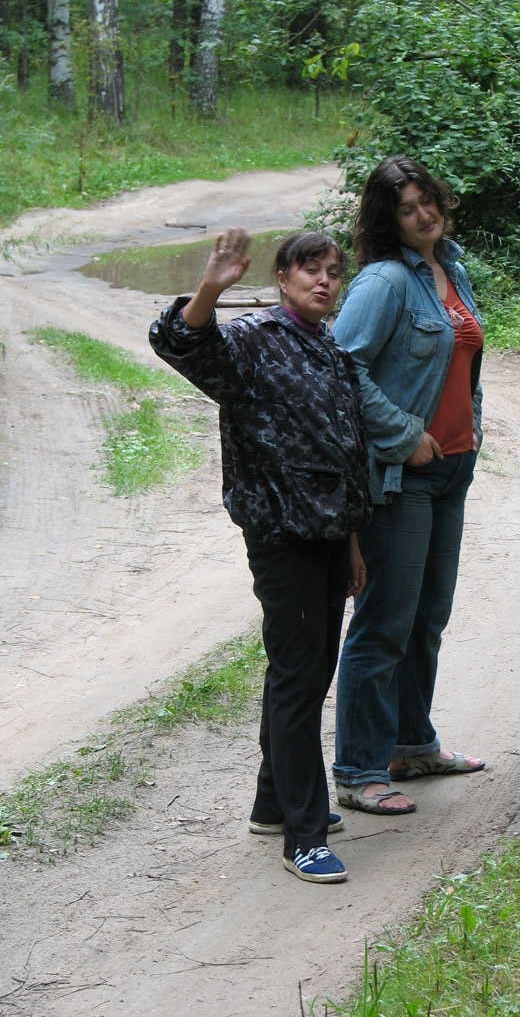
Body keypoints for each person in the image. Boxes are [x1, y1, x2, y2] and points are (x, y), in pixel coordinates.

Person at [149, 227, 371, 882]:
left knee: (307, 671)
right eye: (310, 270)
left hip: (330, 534)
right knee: (300, 679)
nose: (324, 281)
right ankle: (304, 837)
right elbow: (179, 343)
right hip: (282, 535)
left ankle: (274, 803)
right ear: (282, 278)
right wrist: (210, 288)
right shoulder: (252, 339)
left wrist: (352, 541)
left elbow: (344, 451)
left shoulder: (329, 348)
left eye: (333, 272)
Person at [331, 156, 486, 815]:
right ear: (387, 220)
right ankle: (360, 770)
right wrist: (403, 435)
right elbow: (341, 366)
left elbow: (464, 362)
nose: (424, 215)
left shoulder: (451, 267)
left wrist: (470, 427)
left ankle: (411, 747)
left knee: (427, 619)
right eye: (406, 208)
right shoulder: (384, 282)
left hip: (452, 469)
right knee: (385, 624)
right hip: (404, 477)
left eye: (427, 201)